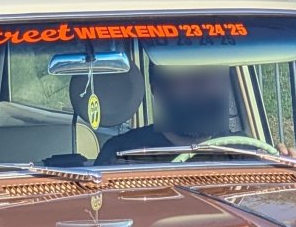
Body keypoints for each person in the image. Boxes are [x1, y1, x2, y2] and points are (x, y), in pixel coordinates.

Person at [96, 64, 234, 164]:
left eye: (214, 77)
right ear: (158, 89)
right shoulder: (121, 155)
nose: (205, 88)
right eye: (187, 76)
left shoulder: (247, 153)